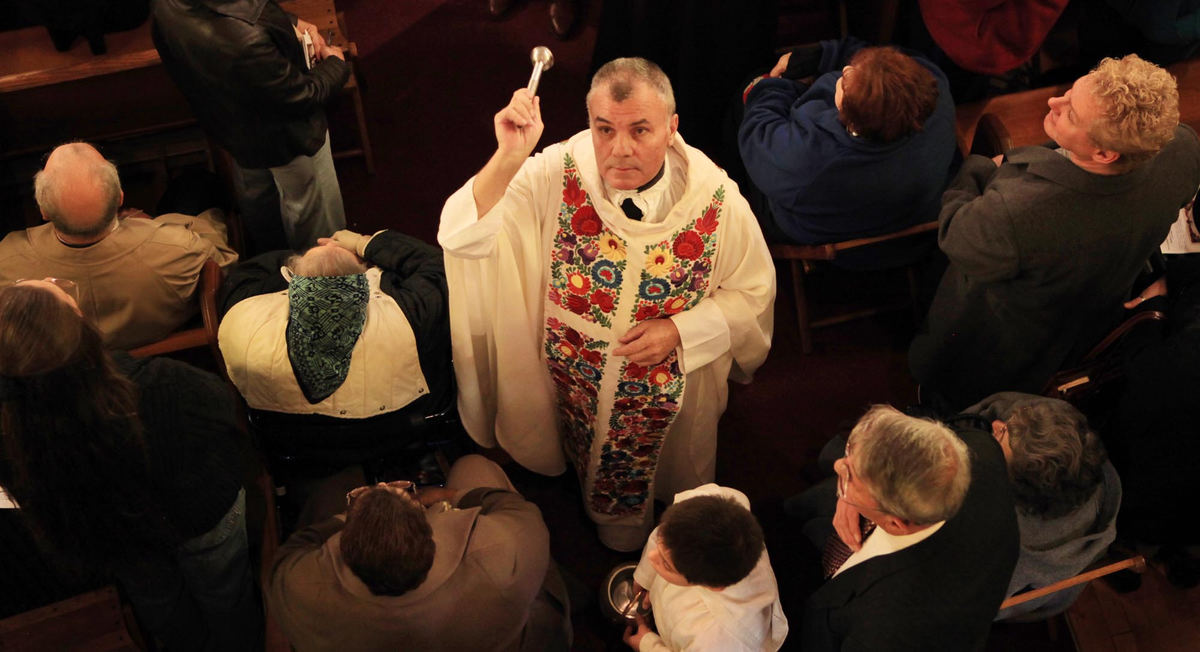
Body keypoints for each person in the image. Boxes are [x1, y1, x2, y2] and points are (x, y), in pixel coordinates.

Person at [438, 57, 776, 551]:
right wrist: (509, 156)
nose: (620, 150)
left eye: (641, 130)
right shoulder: (558, 171)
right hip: (569, 378)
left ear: (671, 127)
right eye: (604, 129)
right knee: (575, 452)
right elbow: (463, 235)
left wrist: (682, 330)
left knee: (660, 492)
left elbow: (753, 294)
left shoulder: (716, 201)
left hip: (665, 394)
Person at [909, 53, 1200, 411]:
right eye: (1070, 93)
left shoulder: (1018, 212)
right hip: (1096, 301)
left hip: (1012, 329)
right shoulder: (1183, 148)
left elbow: (956, 233)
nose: (1053, 102)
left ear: (1105, 153)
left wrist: (979, 168)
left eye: (1071, 113)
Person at [0, 281, 259, 651]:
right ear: (84, 332)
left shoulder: (12, 424)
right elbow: (223, 412)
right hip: (201, 515)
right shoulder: (165, 384)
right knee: (226, 593)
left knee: (158, 600)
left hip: (112, 534)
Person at [266, 454, 571, 651]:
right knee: (473, 467)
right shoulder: (498, 553)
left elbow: (292, 549)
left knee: (331, 486)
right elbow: (516, 509)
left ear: (344, 547)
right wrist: (446, 496)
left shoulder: (302, 585)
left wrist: (355, 515)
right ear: (431, 531)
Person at [789, 405, 1018, 651]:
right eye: (848, 454)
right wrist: (848, 497)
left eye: (848, 478)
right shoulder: (981, 449)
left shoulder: (884, 629)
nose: (838, 467)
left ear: (895, 524)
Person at [151, 0, 350, 252]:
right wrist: (335, 64)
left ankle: (274, 265)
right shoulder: (248, 39)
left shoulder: (164, 7)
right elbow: (302, 96)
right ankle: (323, 281)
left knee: (261, 207)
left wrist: (287, 21)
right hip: (289, 137)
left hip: (231, 127)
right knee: (315, 225)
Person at [0, 142, 237, 350]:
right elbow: (222, 266)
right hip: (170, 354)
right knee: (196, 185)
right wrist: (154, 227)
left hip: (65, 378)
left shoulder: (7, 263)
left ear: (42, 210)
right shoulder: (177, 249)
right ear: (121, 197)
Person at [738, 38, 957, 261]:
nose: (845, 69)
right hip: (907, 223)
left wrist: (772, 85)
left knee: (746, 93)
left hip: (830, 235)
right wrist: (822, 55)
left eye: (846, 81)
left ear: (849, 118)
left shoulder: (809, 163)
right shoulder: (934, 85)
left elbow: (757, 132)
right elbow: (884, 57)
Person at [218, 228, 452, 419]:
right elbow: (440, 265)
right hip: (400, 430)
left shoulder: (245, 315)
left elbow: (249, 273)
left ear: (291, 278)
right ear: (368, 276)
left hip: (292, 443)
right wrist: (364, 245)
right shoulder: (409, 314)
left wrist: (309, 264)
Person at [965, 393, 1119, 620]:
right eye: (1011, 423)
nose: (997, 425)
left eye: (1002, 433)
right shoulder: (1072, 448)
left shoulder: (1000, 543)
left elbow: (967, 603)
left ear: (1015, 487)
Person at [623, 484, 788, 651]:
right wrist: (645, 578)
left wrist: (648, 645)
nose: (651, 558)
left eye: (666, 565)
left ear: (714, 586)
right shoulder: (713, 502)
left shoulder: (720, 641)